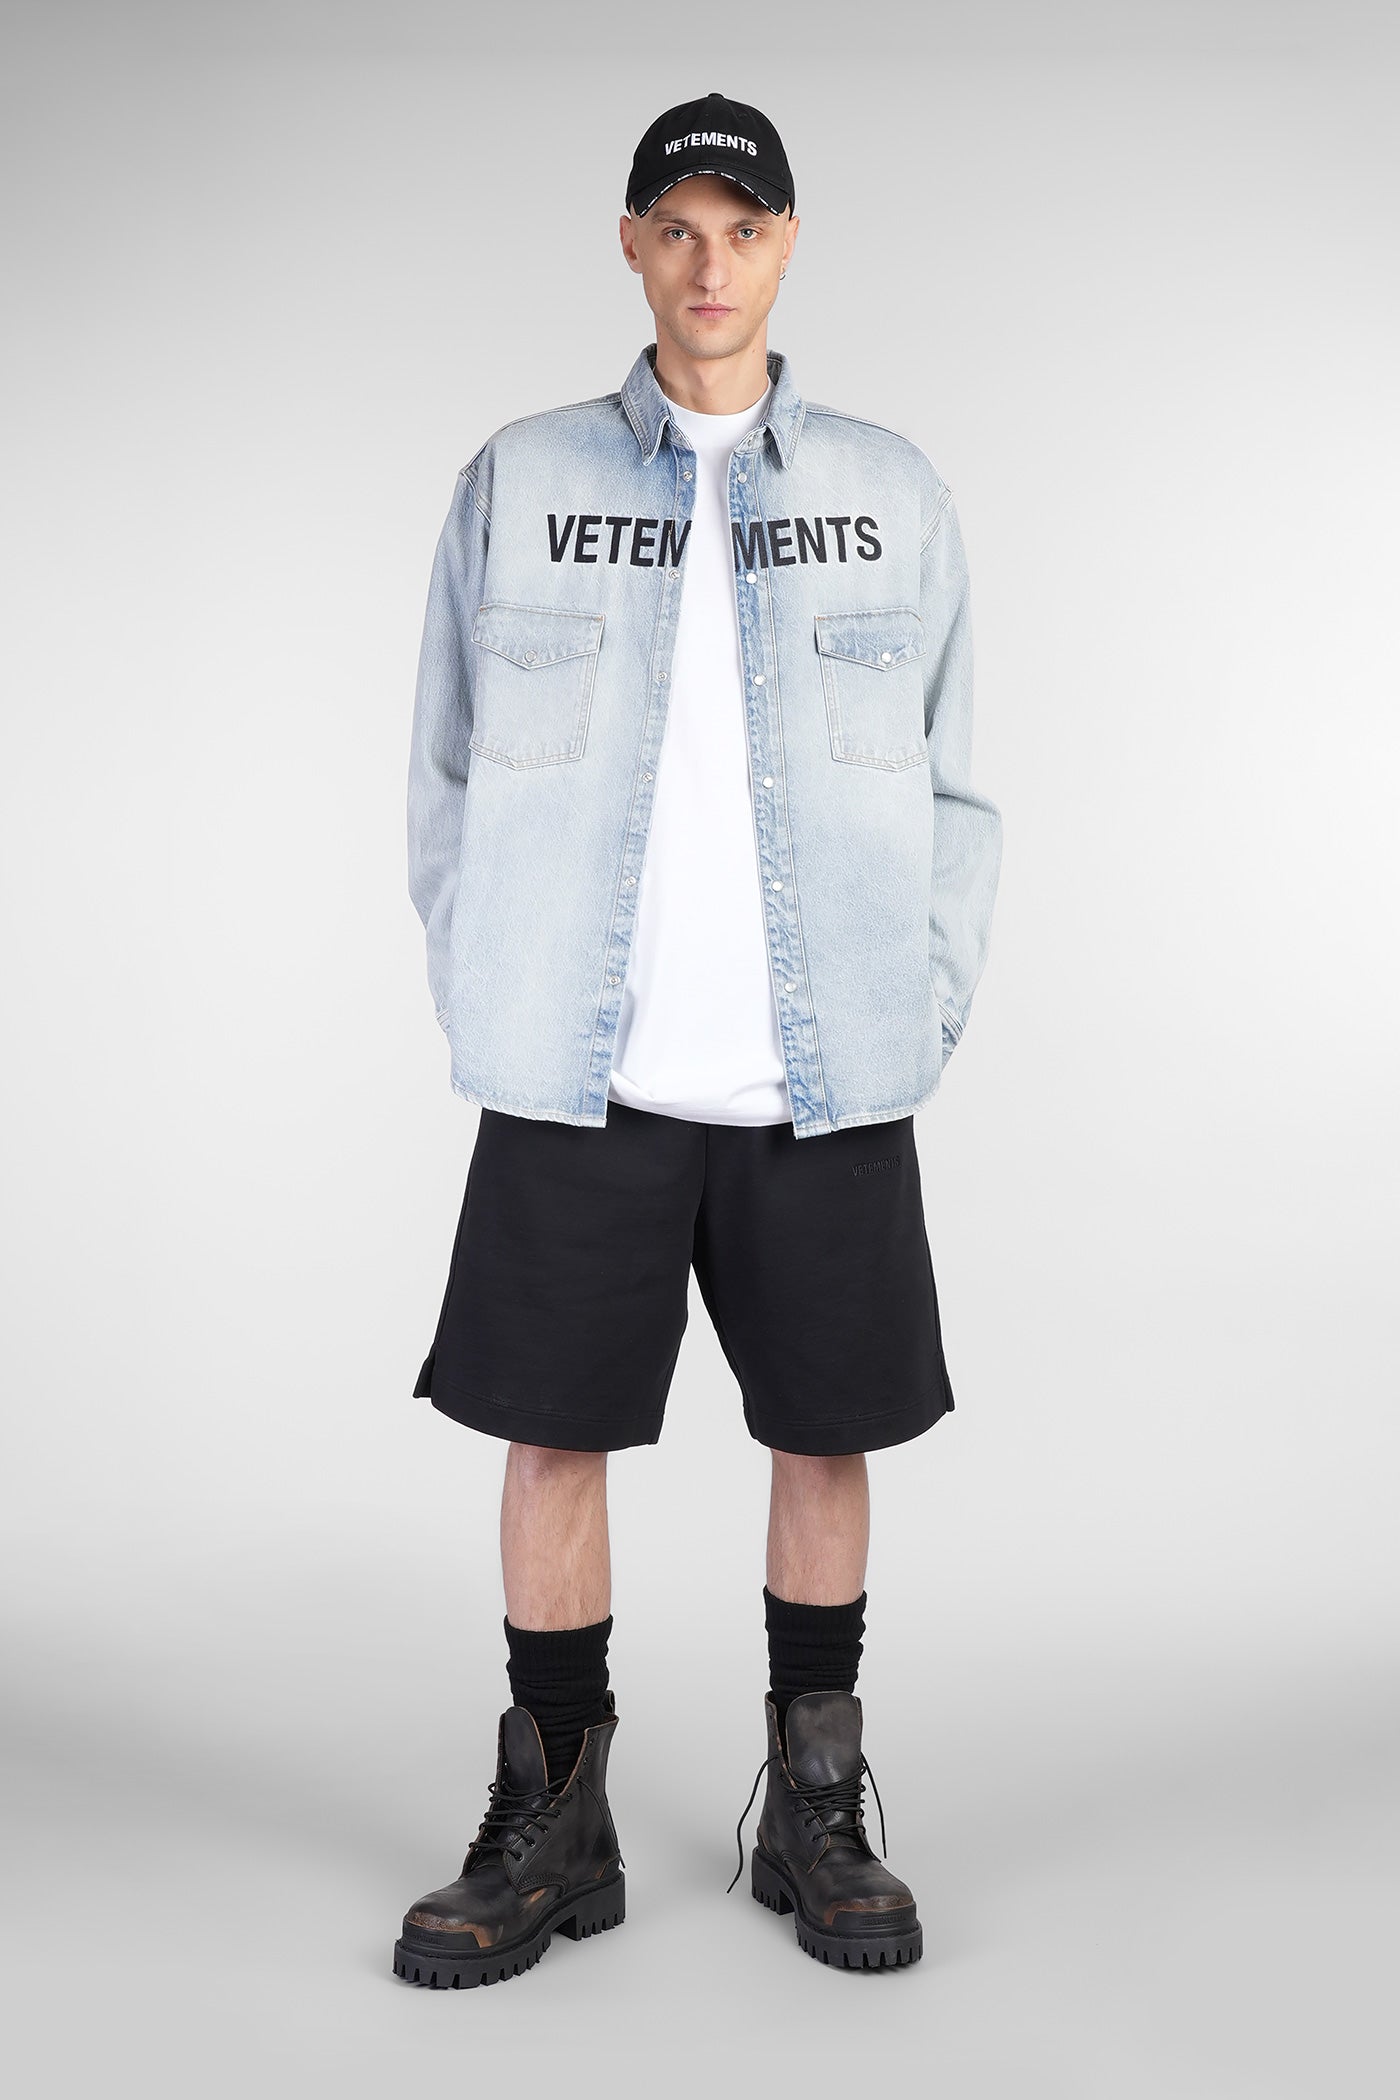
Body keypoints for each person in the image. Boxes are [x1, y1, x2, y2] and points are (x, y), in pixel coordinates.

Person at [394, 89, 1002, 1989]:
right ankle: (553, 1814)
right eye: (677, 227)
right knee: (548, 1436)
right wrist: (492, 991)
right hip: (581, 1074)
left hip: (825, 1080)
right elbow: (444, 772)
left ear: (788, 246)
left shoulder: (893, 492)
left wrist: (917, 1015)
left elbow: (955, 788)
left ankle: (814, 1806)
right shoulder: (519, 478)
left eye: (742, 229)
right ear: (633, 246)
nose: (709, 263)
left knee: (827, 1433)